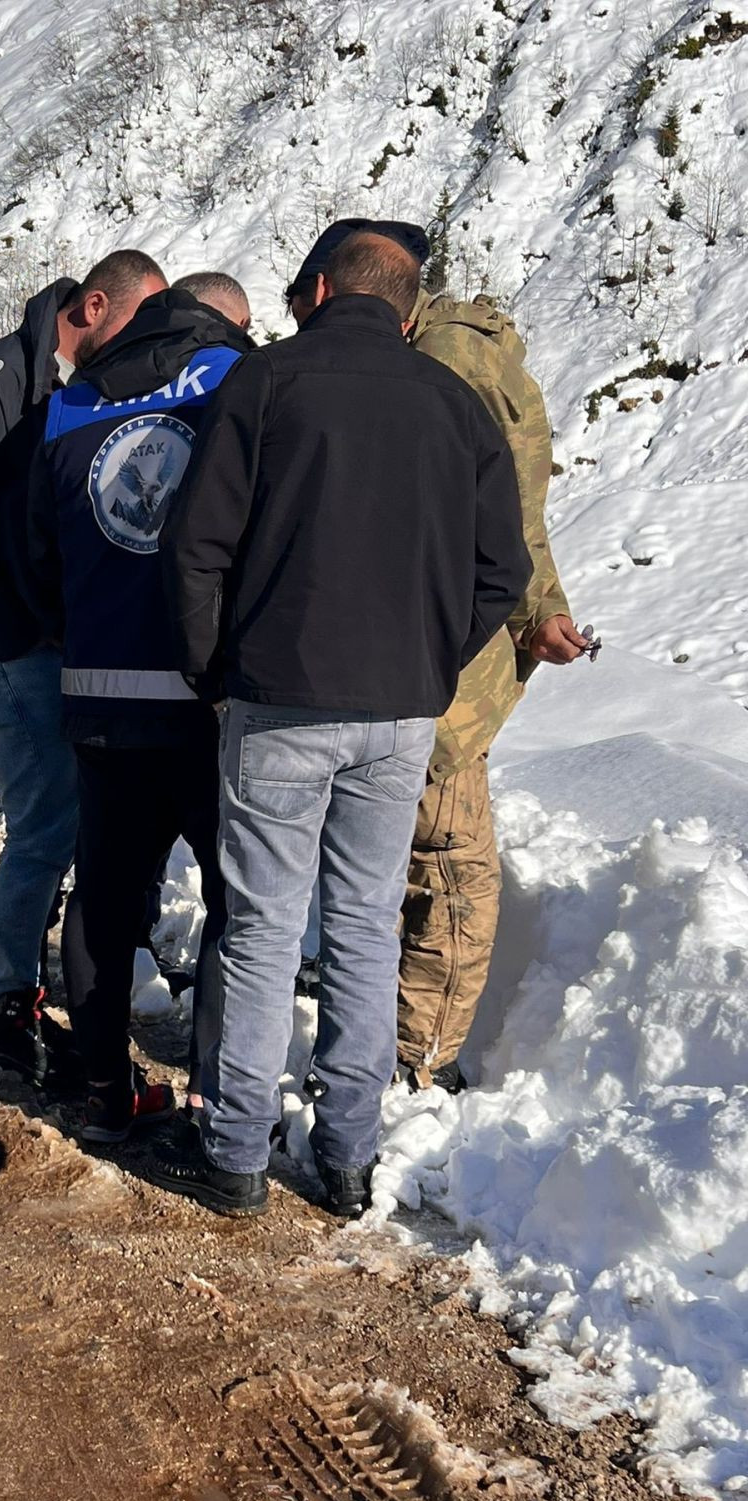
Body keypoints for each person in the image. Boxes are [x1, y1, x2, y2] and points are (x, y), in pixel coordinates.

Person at [151, 230, 532, 1220]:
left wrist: (213, 674)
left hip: (275, 698)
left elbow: (192, 549)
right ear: (407, 312)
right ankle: (347, 1158)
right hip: (399, 710)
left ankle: (234, 1155)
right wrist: (429, 657)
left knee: (264, 925)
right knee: (362, 927)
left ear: (317, 290)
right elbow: (502, 572)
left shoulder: (265, 383)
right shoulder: (454, 404)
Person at [284, 219, 592, 1092]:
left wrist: (519, 615)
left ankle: (419, 1060)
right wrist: (539, 611)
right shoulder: (461, 358)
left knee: (447, 864)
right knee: (400, 855)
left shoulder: (445, 367)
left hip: (427, 671)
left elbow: (490, 528)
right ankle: (390, 1036)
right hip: (425, 657)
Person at [0, 251, 168, 1088]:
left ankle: (12, 987)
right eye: (138, 325)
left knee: (57, 821)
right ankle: (2, 1007)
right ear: (93, 306)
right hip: (2, 643)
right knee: (45, 825)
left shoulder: (69, 386)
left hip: (42, 639)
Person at [23, 273, 255, 1141]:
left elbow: (39, 551)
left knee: (104, 897)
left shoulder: (72, 401)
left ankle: (103, 1091)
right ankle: (212, 1099)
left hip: (98, 693)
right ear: (227, 319)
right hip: (205, 701)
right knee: (237, 901)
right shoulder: (237, 377)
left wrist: (85, 632)